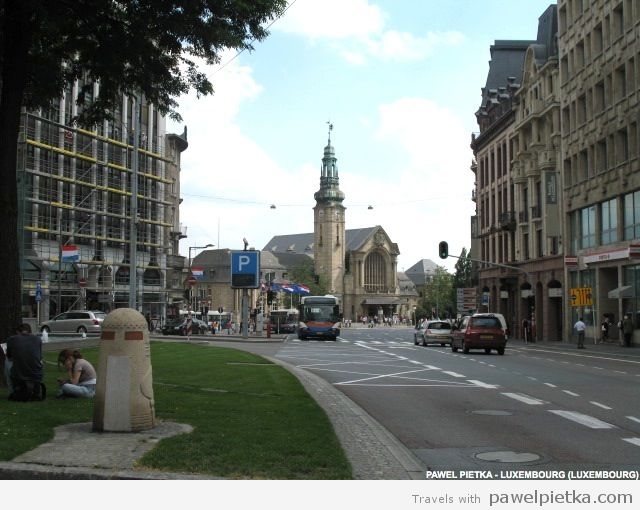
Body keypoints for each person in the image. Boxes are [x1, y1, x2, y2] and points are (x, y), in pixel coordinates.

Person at [6, 323, 44, 399]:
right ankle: (35, 390)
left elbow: (9, 357)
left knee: (7, 361)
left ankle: (12, 391)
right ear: (30, 331)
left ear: (18, 332)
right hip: (37, 375)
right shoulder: (38, 339)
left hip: (19, 375)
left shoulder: (12, 339)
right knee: (40, 361)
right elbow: (39, 357)